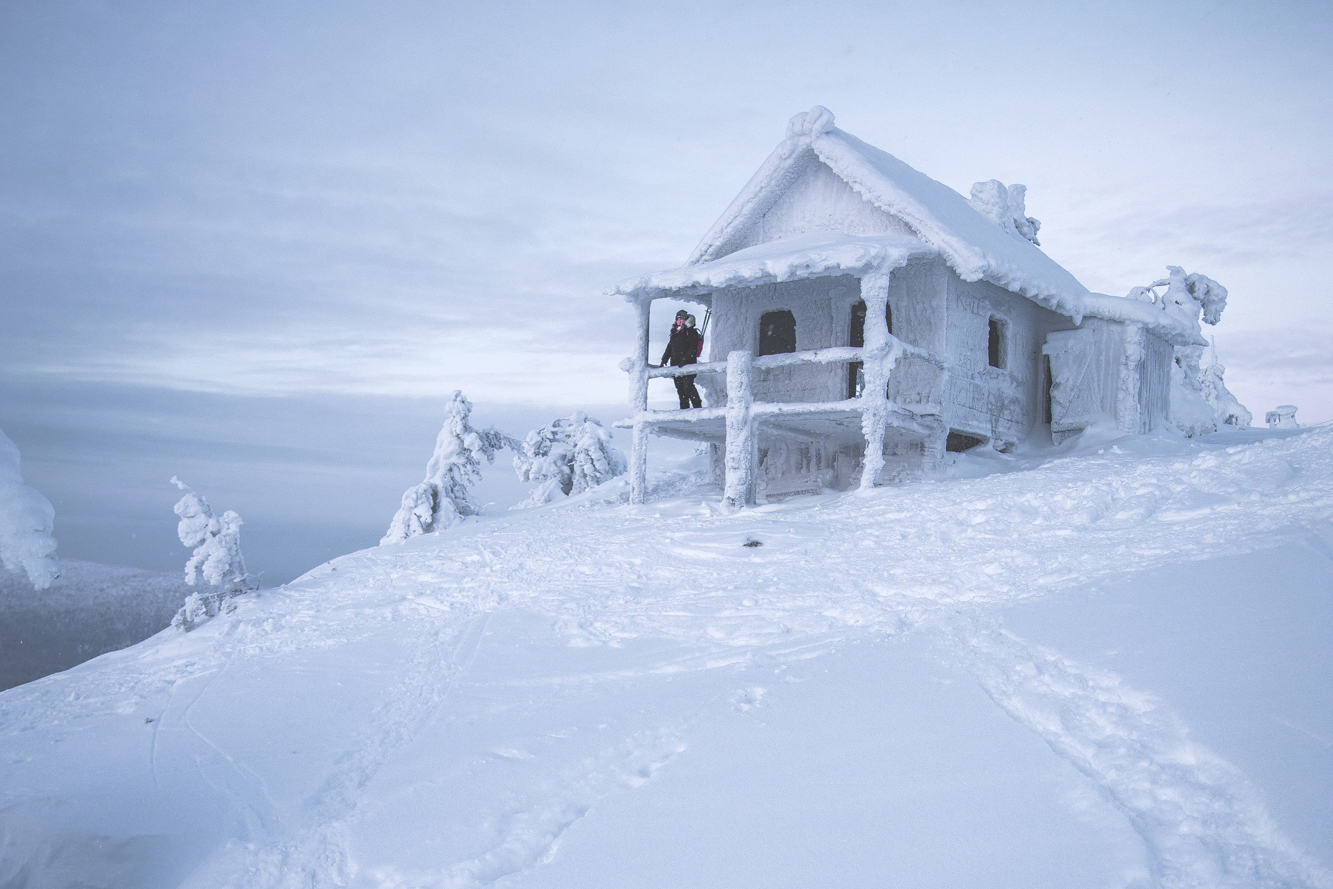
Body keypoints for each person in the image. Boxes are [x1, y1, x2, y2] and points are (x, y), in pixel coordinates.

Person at [661, 310, 703, 409]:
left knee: (688, 387)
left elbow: (693, 348)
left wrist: (684, 360)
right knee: (680, 389)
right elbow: (670, 347)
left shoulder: (691, 331)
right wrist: (664, 359)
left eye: (681, 319)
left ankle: (698, 407)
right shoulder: (675, 332)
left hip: (688, 364)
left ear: (685, 320)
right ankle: (684, 410)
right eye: (678, 319)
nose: (679, 321)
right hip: (675, 365)